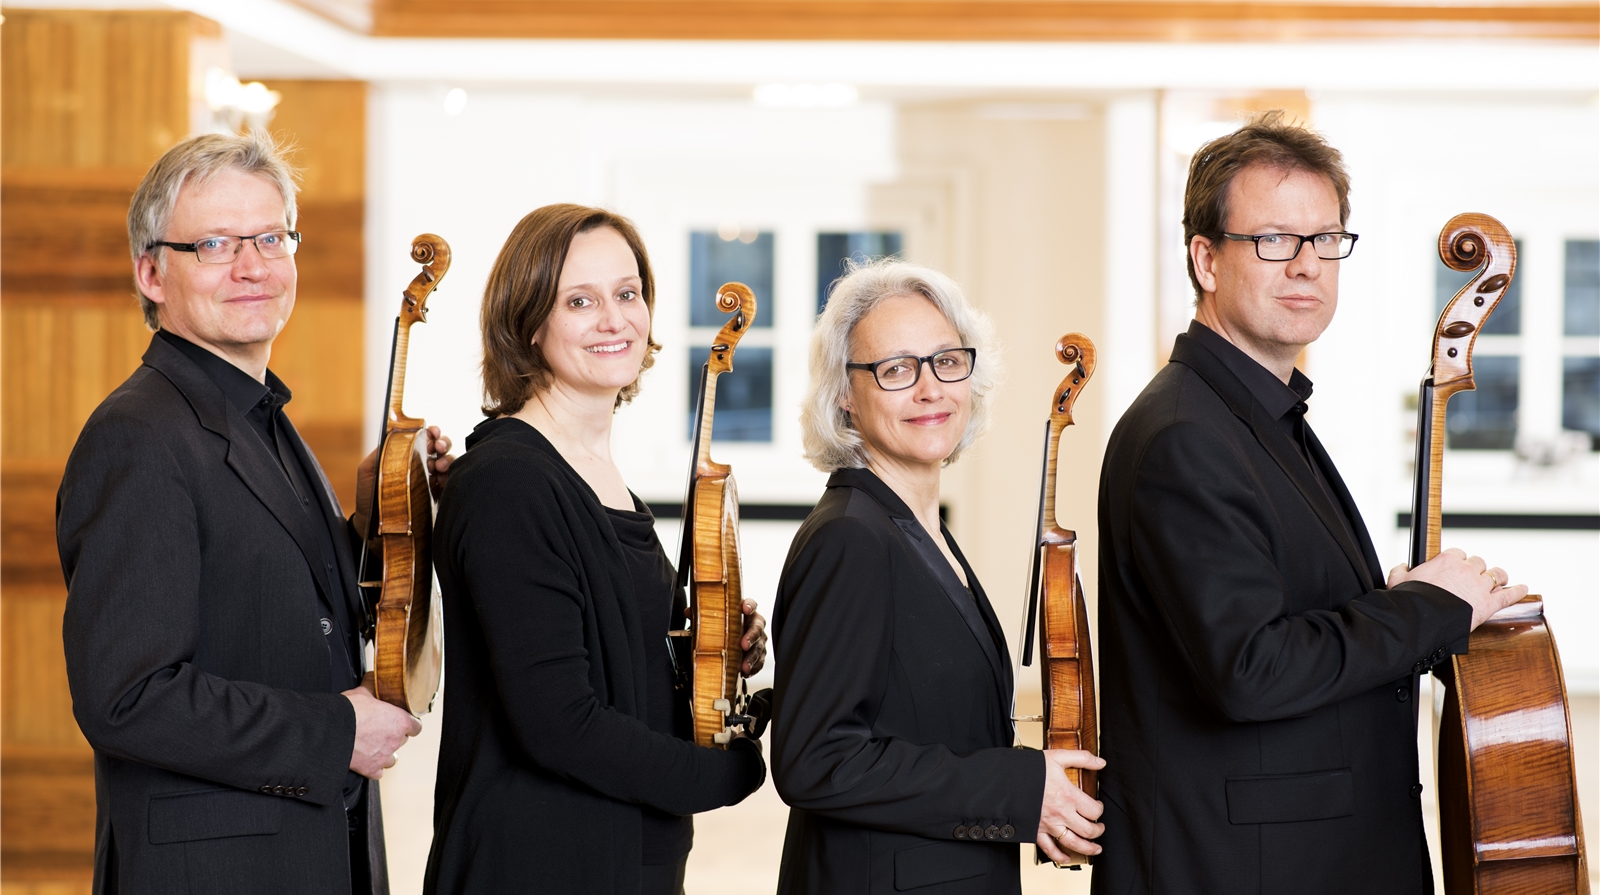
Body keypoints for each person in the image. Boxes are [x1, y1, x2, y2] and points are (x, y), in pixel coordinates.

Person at [1092, 112, 1529, 895]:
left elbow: (1275, 613)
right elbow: (1249, 670)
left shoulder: (1258, 415)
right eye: (1272, 240)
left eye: (1326, 239)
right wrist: (1428, 608)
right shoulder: (1184, 436)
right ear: (1205, 259)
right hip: (1246, 869)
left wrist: (1392, 601)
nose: (1306, 265)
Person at [58, 131, 450, 895]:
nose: (253, 266)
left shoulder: (262, 416)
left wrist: (380, 514)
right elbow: (126, 697)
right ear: (151, 272)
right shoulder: (137, 435)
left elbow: (286, 607)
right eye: (213, 244)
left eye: (271, 237)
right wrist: (336, 732)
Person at [423, 204, 768, 895]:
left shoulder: (597, 476)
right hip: (536, 863)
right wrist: (724, 776)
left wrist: (710, 650)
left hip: (616, 853)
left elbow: (624, 665)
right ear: (528, 324)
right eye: (580, 300)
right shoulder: (509, 481)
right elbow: (559, 722)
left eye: (627, 293)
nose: (614, 319)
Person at [770, 261, 1106, 895]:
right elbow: (816, 759)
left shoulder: (914, 530)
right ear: (844, 393)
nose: (930, 390)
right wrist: (1018, 787)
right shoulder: (851, 538)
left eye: (946, 361)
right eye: (896, 369)